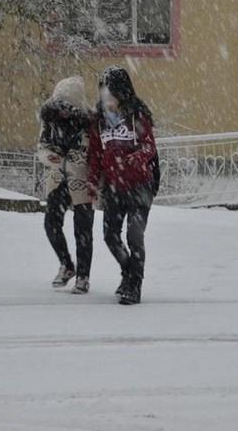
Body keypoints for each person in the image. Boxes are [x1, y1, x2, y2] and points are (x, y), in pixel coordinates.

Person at [88, 67, 158, 305]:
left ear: (122, 93)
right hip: (114, 188)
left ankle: (134, 286)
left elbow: (150, 147)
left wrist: (136, 157)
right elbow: (96, 155)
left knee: (134, 235)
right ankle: (128, 272)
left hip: (140, 186)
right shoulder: (99, 122)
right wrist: (92, 182)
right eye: (103, 93)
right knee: (110, 235)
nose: (106, 99)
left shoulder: (137, 116)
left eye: (110, 93)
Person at [38, 76, 94, 294]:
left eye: (67, 106)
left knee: (83, 229)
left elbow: (92, 153)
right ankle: (66, 264)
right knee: (51, 222)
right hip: (58, 178)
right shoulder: (49, 121)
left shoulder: (89, 124)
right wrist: (50, 156)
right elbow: (42, 146)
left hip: (82, 180)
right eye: (59, 105)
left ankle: (83, 276)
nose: (63, 111)